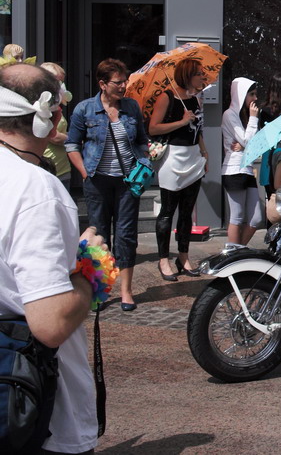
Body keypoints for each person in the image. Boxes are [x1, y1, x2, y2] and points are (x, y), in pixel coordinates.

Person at [0, 63, 103, 453]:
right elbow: (51, 323)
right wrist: (90, 264)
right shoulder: (35, 188)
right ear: (53, 115)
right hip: (35, 409)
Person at [66, 58, 148, 310]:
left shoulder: (131, 107)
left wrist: (144, 162)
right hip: (97, 181)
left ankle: (126, 291)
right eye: (118, 82)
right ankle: (100, 291)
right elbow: (71, 144)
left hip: (127, 182)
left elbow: (142, 140)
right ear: (102, 84)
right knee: (99, 235)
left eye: (125, 81)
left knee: (126, 235)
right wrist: (84, 172)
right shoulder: (84, 109)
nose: (123, 86)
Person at [147, 57, 207, 282]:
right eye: (199, 73)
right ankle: (163, 259)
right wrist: (181, 122)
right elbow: (153, 128)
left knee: (187, 210)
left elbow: (198, 130)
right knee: (168, 211)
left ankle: (183, 256)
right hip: (173, 157)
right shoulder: (167, 96)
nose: (203, 77)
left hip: (193, 157)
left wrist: (205, 152)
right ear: (187, 75)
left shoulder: (196, 99)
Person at [221, 77, 263, 246]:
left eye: (255, 94)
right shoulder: (229, 114)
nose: (255, 98)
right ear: (241, 95)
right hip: (233, 170)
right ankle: (233, 256)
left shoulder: (244, 115)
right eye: (251, 94)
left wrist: (246, 145)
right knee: (237, 217)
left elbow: (255, 143)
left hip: (246, 169)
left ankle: (238, 251)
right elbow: (248, 142)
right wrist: (253, 119)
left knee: (256, 218)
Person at [40, 61, 73, 189]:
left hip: (62, 168)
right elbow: (52, 135)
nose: (60, 86)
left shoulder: (55, 103)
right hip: (45, 168)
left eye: (61, 82)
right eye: (57, 82)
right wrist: (76, 139)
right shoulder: (39, 103)